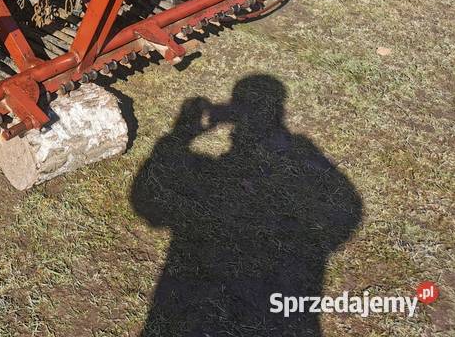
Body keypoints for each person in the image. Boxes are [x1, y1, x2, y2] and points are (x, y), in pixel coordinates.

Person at [131, 74, 362, 336]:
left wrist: (179, 135)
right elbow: (347, 207)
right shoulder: (301, 157)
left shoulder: (294, 157)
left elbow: (145, 200)